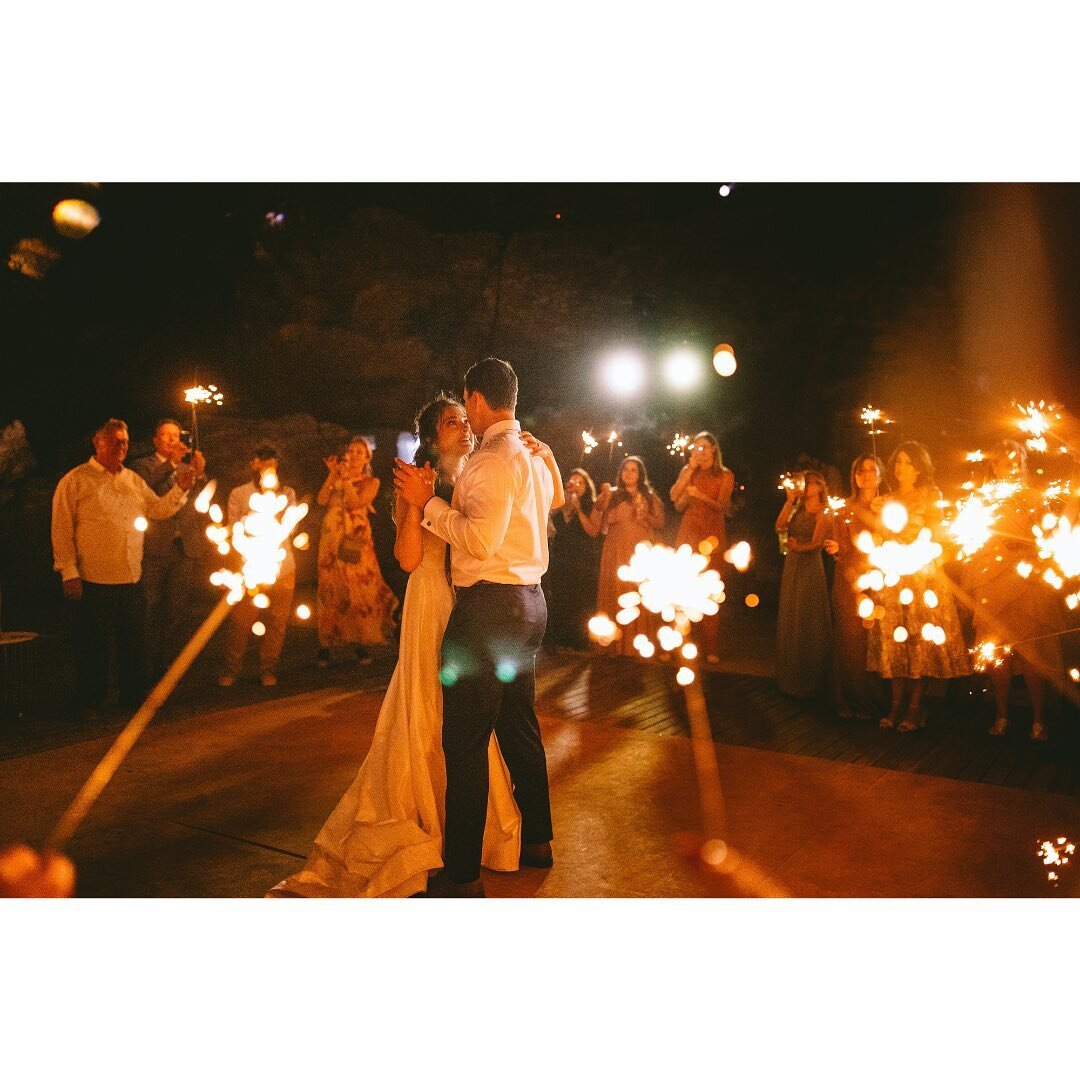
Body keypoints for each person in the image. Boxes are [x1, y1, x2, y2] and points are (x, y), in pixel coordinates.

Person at [270, 394, 548, 898]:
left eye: (465, 419)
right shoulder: (416, 480)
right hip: (432, 603)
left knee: (473, 719)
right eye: (450, 423)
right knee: (431, 707)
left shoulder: (485, 471)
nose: (463, 428)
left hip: (476, 604)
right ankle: (429, 818)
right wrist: (418, 505)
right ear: (431, 437)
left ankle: (471, 837)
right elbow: (405, 557)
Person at [394, 358, 562, 897]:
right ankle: (537, 840)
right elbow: (554, 500)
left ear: (475, 399)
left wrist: (429, 506)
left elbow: (479, 541)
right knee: (519, 726)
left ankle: (462, 876)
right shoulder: (533, 456)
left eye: (464, 405)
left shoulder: (492, 459)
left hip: (489, 608)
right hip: (530, 603)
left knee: (464, 742)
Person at [51, 418, 198, 720]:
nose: (121, 447)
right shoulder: (76, 480)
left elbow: (157, 509)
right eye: (115, 441)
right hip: (92, 577)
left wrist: (180, 490)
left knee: (134, 642)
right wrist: (68, 570)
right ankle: (90, 700)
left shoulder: (132, 480)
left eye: (125, 442)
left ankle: (133, 696)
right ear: (98, 442)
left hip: (130, 576)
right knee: (92, 645)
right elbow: (61, 528)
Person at [866, 442, 972, 731]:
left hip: (922, 580)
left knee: (918, 645)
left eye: (909, 463)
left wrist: (927, 560)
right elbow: (879, 540)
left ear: (920, 468)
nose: (902, 468)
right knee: (897, 645)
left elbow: (942, 539)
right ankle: (895, 705)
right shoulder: (886, 499)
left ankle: (914, 708)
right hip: (893, 580)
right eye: (898, 462)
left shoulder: (929, 496)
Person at [968, 441, 1063, 741]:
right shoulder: (982, 500)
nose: (1010, 464)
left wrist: (1029, 547)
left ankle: (1038, 721)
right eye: (1003, 460)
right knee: (998, 653)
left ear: (1022, 463)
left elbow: (1050, 539)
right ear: (994, 466)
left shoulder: (1035, 498)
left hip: (1026, 584)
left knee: (1031, 652)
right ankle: (1002, 716)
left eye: (1015, 459)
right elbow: (972, 538)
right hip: (993, 582)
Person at [129, 418, 211, 681]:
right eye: (166, 435)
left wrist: (200, 473)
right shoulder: (143, 465)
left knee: (177, 610)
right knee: (150, 607)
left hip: (185, 546)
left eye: (176, 435)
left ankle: (169, 665)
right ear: (155, 440)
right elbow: (146, 487)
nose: (172, 440)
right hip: (156, 546)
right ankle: (145, 666)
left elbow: (201, 501)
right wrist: (171, 464)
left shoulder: (188, 467)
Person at [315, 435, 399, 668]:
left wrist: (346, 482)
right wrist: (333, 475)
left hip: (355, 539)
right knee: (331, 589)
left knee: (358, 590)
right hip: (331, 538)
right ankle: (325, 645)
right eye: (350, 452)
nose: (353, 456)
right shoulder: (337, 477)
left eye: (358, 453)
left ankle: (359, 642)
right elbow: (322, 500)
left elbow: (354, 503)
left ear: (366, 458)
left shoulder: (371, 482)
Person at [217, 445, 297, 689]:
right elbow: (232, 528)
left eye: (273, 465)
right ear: (254, 464)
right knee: (241, 622)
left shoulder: (287, 494)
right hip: (249, 568)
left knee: (277, 621)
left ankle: (268, 668)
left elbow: (291, 528)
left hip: (282, 567)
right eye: (263, 464)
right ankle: (232, 669)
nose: (268, 470)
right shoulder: (240, 494)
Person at [823, 455, 887, 720]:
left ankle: (878, 700)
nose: (867, 475)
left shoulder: (888, 508)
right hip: (850, 581)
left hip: (881, 582)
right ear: (855, 477)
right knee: (851, 642)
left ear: (881, 475)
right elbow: (840, 547)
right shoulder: (846, 509)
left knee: (877, 643)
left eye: (873, 470)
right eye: (862, 470)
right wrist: (838, 549)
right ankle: (850, 700)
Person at [670, 432, 735, 663]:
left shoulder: (725, 474)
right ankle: (681, 645)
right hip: (689, 532)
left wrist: (700, 495)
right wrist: (688, 470)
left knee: (710, 590)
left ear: (714, 450)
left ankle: (711, 647)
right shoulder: (690, 472)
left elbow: (723, 506)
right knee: (683, 588)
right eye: (696, 447)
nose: (700, 451)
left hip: (712, 534)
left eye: (704, 447)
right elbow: (674, 498)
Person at [592, 455, 666, 657]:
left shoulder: (648, 496)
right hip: (615, 548)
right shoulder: (614, 494)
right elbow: (598, 508)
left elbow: (660, 522)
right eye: (626, 469)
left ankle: (636, 642)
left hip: (638, 551)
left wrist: (645, 516)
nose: (629, 473)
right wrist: (604, 495)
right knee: (615, 590)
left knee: (635, 592)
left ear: (640, 474)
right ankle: (614, 644)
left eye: (634, 470)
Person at [774, 470, 832, 699]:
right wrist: (789, 502)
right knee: (792, 612)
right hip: (793, 565)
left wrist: (798, 548)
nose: (806, 487)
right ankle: (790, 675)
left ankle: (811, 678)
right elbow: (779, 527)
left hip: (810, 567)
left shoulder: (822, 514)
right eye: (804, 483)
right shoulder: (796, 509)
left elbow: (817, 543)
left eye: (810, 484)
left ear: (819, 487)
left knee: (808, 614)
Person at [546, 467, 602, 650]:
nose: (576, 485)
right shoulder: (560, 504)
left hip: (582, 559)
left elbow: (593, 531)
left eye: (580, 482)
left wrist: (578, 510)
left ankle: (579, 641)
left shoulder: (592, 505)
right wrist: (562, 507)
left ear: (587, 486)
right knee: (561, 597)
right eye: (572, 482)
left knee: (580, 600)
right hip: (561, 557)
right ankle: (560, 640)